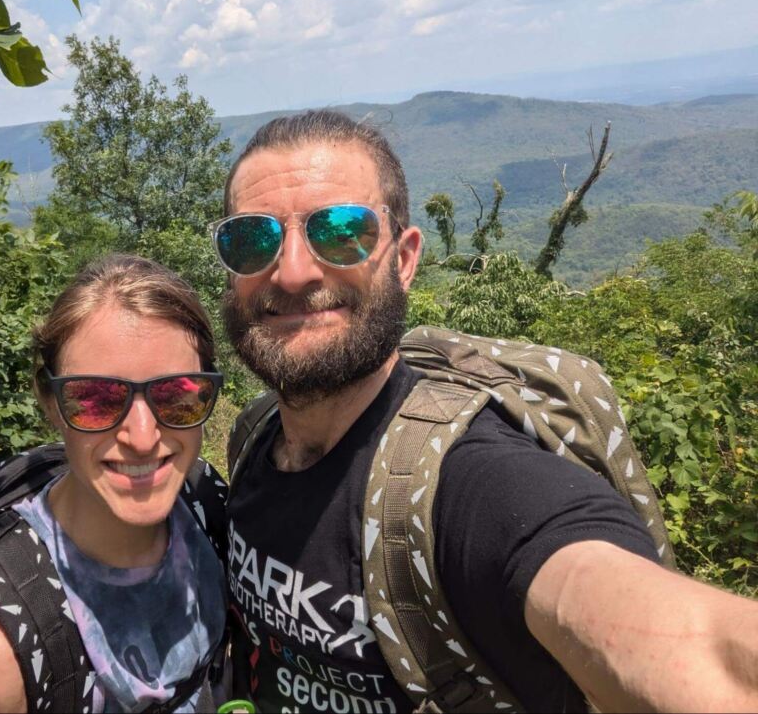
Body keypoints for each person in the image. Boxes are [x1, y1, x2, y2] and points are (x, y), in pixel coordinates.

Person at [215, 110, 758, 712]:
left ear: (404, 258)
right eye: (252, 239)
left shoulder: (474, 482)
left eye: (342, 231)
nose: (291, 271)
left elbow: (693, 647)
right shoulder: (252, 440)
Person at [0, 255, 228, 713]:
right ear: (50, 402)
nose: (142, 437)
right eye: (95, 399)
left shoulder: (203, 500)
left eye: (176, 396)